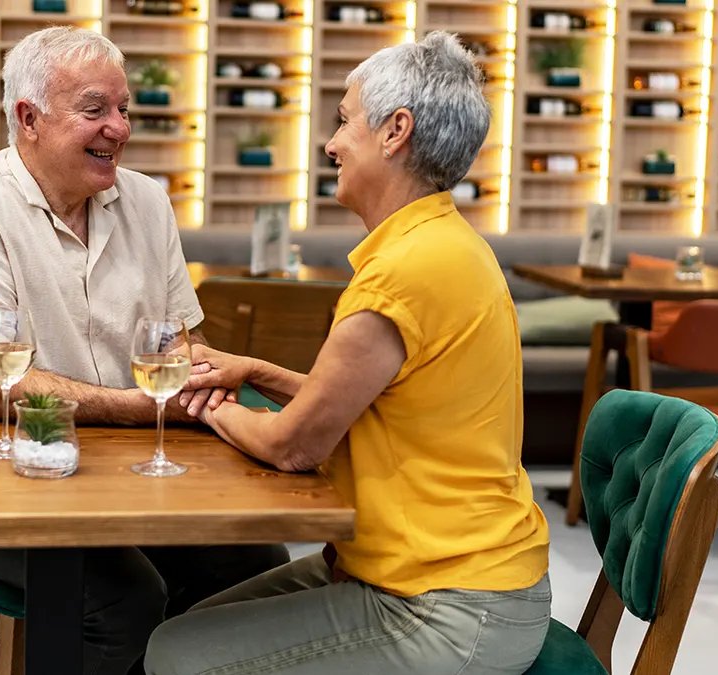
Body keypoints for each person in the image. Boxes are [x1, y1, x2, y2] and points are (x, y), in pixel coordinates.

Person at [148, 32, 551, 674]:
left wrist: (204, 404)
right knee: (191, 623)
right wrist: (250, 372)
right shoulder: (440, 243)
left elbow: (294, 445)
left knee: (176, 655)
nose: (332, 144)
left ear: (396, 131)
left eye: (343, 121)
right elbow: (363, 399)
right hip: (438, 575)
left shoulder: (403, 270)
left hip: (449, 607)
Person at [0, 26, 288, 675]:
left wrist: (202, 385)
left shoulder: (147, 201)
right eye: (95, 110)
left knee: (253, 565)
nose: (118, 127)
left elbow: (178, 344)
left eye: (123, 110)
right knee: (124, 600)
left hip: (120, 477)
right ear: (28, 118)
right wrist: (141, 406)